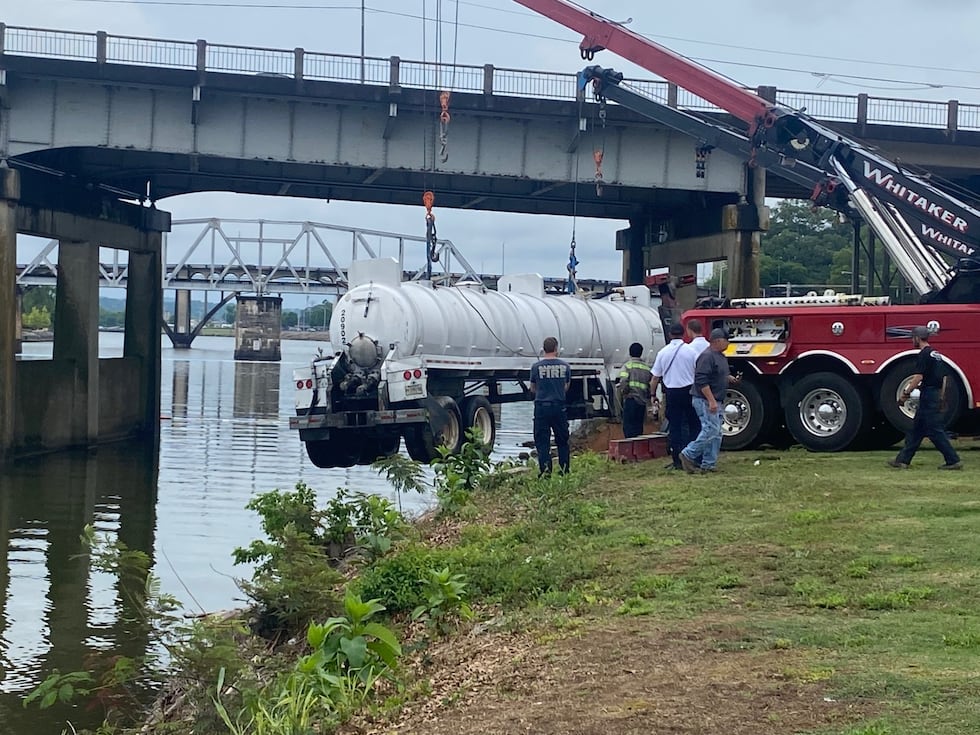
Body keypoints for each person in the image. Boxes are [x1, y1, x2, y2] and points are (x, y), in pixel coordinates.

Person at [887, 326, 962, 470]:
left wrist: (905, 393)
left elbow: (918, 377)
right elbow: (945, 377)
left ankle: (953, 460)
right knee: (917, 430)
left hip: (928, 395)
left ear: (917, 338)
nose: (912, 340)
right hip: (935, 394)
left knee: (934, 430)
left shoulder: (924, 354)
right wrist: (942, 397)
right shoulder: (936, 354)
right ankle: (903, 460)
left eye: (912, 338)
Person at [680, 327, 739, 474]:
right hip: (704, 400)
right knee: (711, 429)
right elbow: (701, 380)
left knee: (717, 432)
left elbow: (718, 374)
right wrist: (711, 400)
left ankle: (708, 464)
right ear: (718, 341)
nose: (728, 344)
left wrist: (730, 378)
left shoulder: (720, 356)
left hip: (715, 399)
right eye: (727, 341)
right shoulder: (707, 356)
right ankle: (688, 454)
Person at [650, 323, 698, 469]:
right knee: (693, 425)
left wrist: (653, 395)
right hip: (689, 391)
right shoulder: (691, 351)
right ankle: (692, 457)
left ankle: (677, 460)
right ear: (684, 334)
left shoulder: (662, 353)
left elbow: (655, 378)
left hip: (672, 393)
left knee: (675, 427)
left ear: (670, 335)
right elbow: (699, 373)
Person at [530, 336, 571, 476]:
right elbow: (566, 386)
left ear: (543, 349)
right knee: (562, 439)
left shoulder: (536, 367)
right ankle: (564, 470)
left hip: (541, 407)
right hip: (559, 407)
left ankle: (546, 471)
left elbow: (533, 388)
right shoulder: (565, 366)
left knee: (542, 441)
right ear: (556, 349)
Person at [617, 342, 653, 439]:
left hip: (631, 399)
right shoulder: (646, 368)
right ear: (641, 353)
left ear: (630, 353)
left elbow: (623, 382)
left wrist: (624, 392)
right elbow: (650, 384)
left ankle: (629, 449)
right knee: (638, 427)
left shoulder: (627, 366)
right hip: (642, 401)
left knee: (629, 427)